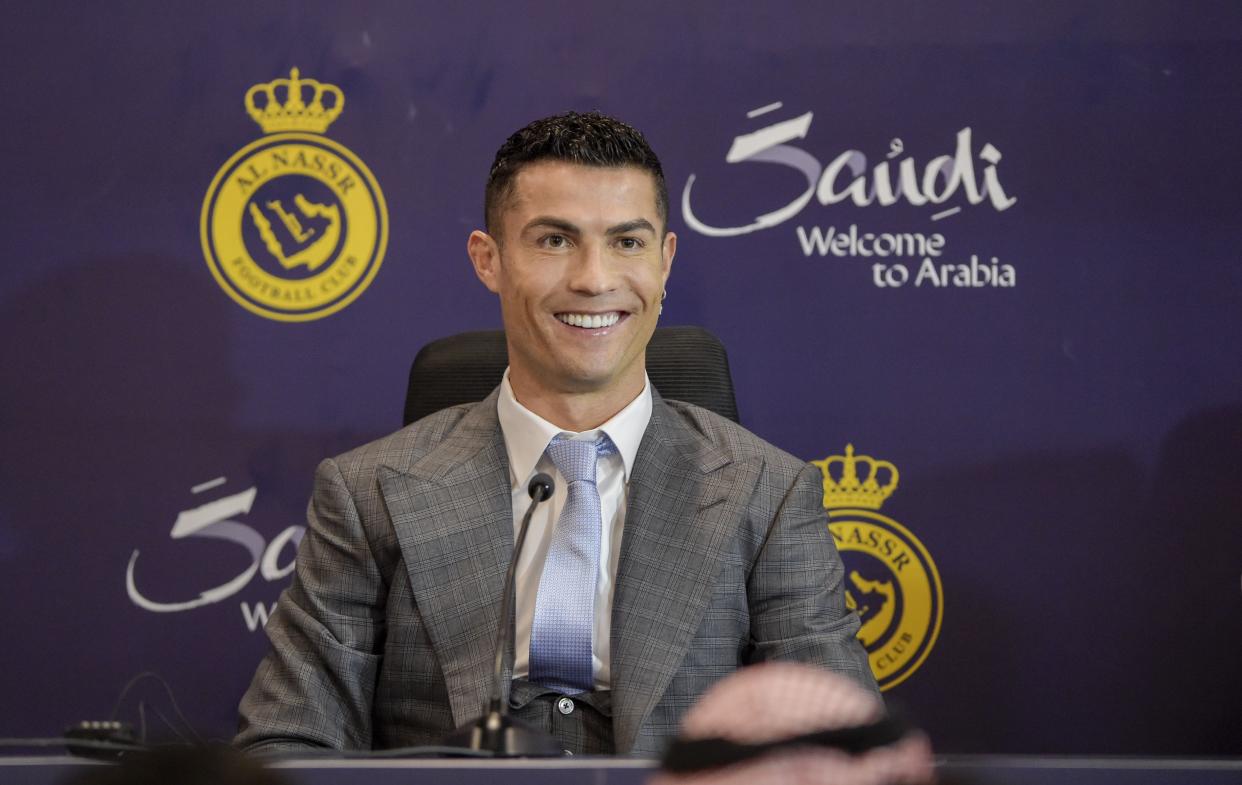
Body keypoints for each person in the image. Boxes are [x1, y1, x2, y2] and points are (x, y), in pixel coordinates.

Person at [236, 111, 877, 757]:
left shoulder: (769, 494)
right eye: (554, 240)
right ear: (489, 260)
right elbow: (287, 745)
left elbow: (840, 750)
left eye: (628, 242)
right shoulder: (365, 491)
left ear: (665, 260)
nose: (594, 278)